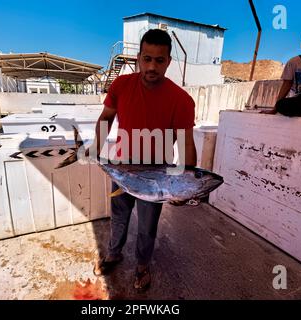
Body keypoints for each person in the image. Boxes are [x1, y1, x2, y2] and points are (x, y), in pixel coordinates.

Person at [87, 29, 197, 291]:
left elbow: (186, 143)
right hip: (122, 167)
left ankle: (142, 265)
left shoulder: (181, 100)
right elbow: (106, 118)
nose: (152, 66)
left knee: (147, 227)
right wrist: (95, 147)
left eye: (159, 60)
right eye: (147, 59)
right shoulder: (121, 85)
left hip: (156, 175)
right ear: (138, 58)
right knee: (119, 216)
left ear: (169, 61)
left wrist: (186, 184)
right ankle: (114, 253)